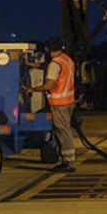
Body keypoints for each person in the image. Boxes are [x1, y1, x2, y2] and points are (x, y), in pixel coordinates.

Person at [24, 37, 77, 172]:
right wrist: (32, 65)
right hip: (68, 101)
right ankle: (67, 160)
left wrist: (33, 89)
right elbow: (48, 67)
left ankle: (68, 162)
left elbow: (50, 84)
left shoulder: (55, 64)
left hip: (59, 103)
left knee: (63, 132)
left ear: (48, 49)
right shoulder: (66, 59)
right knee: (64, 130)